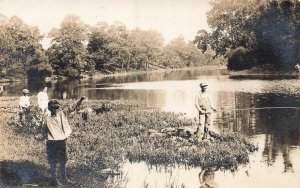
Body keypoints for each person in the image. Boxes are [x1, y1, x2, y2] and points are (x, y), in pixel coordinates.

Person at [45, 96, 85, 186]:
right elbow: (42, 130)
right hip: (52, 142)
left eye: (56, 108)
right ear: (49, 109)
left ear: (59, 108)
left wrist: (81, 100)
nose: (55, 110)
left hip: (62, 141)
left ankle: (64, 178)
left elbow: (72, 107)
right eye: (52, 108)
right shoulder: (46, 118)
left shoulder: (62, 114)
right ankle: (54, 181)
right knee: (53, 162)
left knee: (63, 160)